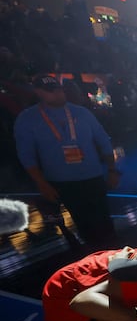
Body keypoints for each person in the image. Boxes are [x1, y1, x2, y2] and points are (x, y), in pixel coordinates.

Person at [14, 74, 120, 249]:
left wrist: (112, 170)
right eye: (51, 91)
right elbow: (26, 155)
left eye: (59, 90)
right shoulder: (28, 119)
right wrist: (41, 183)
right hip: (62, 182)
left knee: (105, 223)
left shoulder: (81, 112)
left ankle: (115, 255)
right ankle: (96, 260)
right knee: (85, 226)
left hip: (92, 176)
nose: (58, 94)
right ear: (39, 92)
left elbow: (104, 141)